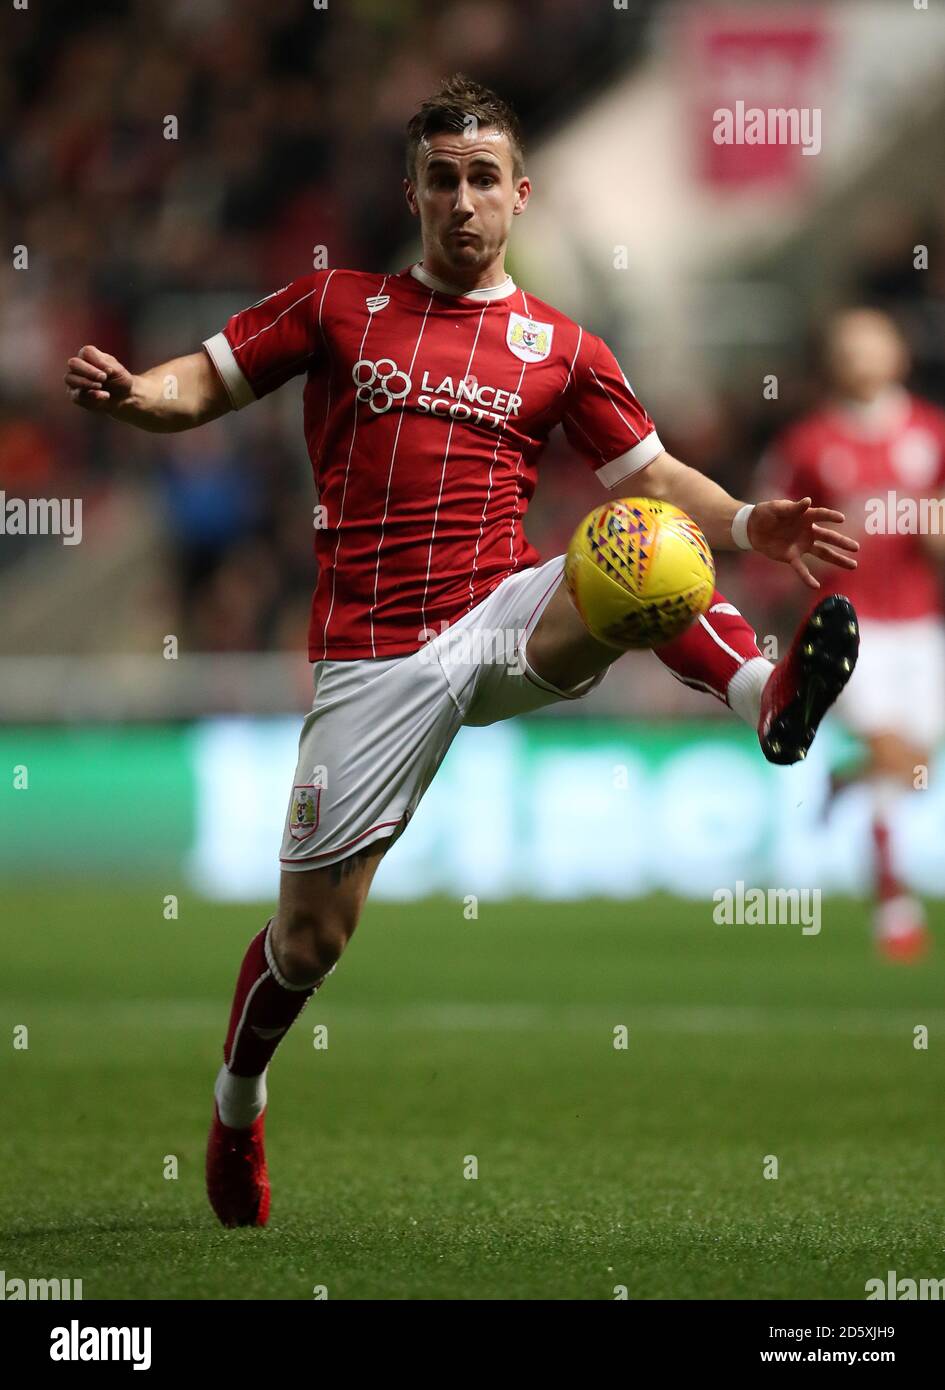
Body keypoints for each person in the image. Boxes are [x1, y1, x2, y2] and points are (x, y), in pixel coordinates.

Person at [64, 75, 859, 1227]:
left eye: (485, 178)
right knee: (308, 941)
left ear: (521, 195)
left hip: (499, 611)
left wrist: (750, 522)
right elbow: (205, 382)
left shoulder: (561, 346)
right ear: (414, 191)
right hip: (371, 657)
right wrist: (139, 396)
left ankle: (763, 697)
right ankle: (238, 1106)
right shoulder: (338, 304)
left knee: (645, 544)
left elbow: (657, 476)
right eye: (443, 178)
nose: (464, 200)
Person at [764, 307, 945, 961]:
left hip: (920, 623)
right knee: (892, 752)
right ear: (831, 361)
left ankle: (843, 785)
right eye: (847, 348)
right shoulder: (806, 445)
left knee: (914, 768)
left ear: (897, 353)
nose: (860, 358)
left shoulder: (932, 433)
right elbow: (773, 533)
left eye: (871, 345)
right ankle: (894, 905)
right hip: (844, 623)